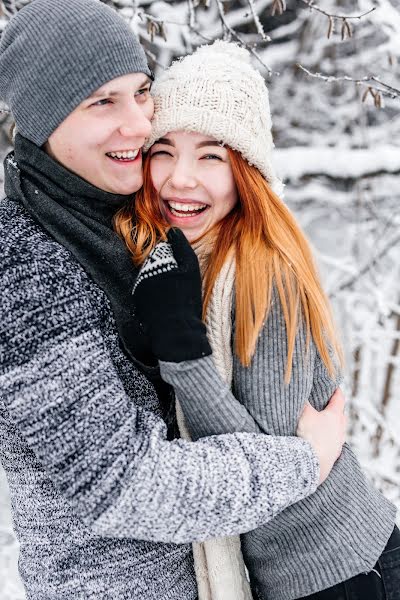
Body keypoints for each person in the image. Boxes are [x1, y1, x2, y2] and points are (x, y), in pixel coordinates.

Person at [0, 2, 347, 599]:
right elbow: (126, 484)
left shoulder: (114, 221)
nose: (138, 124)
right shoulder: (26, 269)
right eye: (101, 102)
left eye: (140, 92)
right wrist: (303, 462)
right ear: (43, 118)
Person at [123, 42, 399, 600]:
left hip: (344, 571)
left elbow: (279, 466)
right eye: (164, 151)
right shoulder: (179, 260)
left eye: (210, 156)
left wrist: (183, 351)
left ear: (245, 171)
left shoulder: (262, 272)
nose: (180, 179)